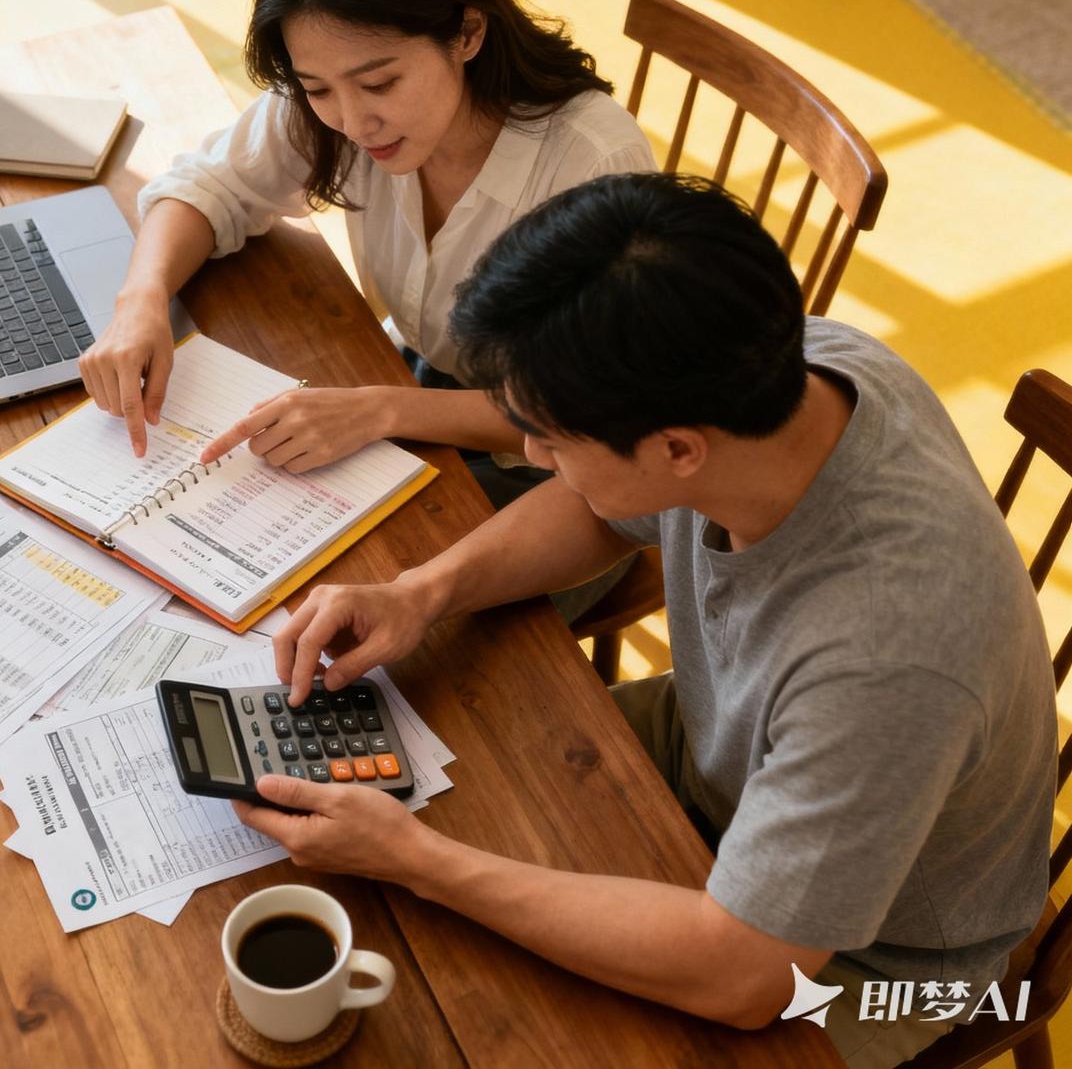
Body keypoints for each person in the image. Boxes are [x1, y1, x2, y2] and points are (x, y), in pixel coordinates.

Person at [231, 172, 1056, 1069]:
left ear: (676, 449)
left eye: (550, 436)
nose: (534, 454)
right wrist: (422, 592)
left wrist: (423, 863)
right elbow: (599, 507)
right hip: (722, 755)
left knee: (446, 976)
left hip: (874, 953)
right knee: (404, 811)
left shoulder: (886, 658)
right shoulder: (793, 368)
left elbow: (748, 974)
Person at [79, 0, 653, 517]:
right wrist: (141, 301)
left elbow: (599, 411)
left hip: (565, 480)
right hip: (413, 382)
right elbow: (209, 185)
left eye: (379, 83)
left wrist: (382, 408)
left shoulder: (589, 159)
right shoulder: (337, 99)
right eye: (317, 89)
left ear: (466, 32)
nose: (352, 122)